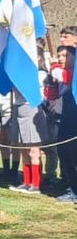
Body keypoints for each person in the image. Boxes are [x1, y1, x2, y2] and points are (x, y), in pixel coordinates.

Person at [54, 46, 77, 203]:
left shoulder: (70, 76)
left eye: (66, 55)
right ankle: (71, 187)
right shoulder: (64, 76)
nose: (61, 59)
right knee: (65, 154)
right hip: (65, 121)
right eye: (59, 55)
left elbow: (61, 74)